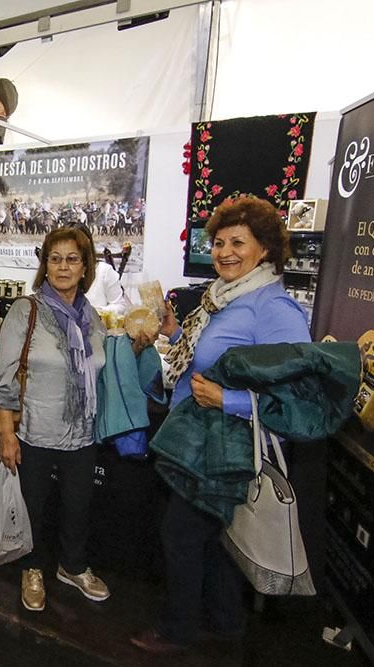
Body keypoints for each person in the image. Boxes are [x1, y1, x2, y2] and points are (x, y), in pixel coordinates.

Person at [132, 196, 311, 654]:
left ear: (266, 249)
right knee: (214, 538)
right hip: (199, 441)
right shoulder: (222, 298)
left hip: (226, 447)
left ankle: (177, 630)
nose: (224, 251)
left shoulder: (273, 309)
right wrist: (175, 334)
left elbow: (298, 395)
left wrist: (227, 399)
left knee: (181, 535)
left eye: (238, 242)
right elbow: (207, 356)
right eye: (218, 242)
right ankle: (226, 623)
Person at [0, 227, 110, 613]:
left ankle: (72, 567)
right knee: (33, 507)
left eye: (72, 258)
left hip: (82, 433)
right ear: (45, 265)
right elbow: (3, 378)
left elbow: (101, 366)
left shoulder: (91, 316)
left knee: (79, 505)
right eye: (54, 258)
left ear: (85, 266)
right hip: (34, 432)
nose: (62, 266)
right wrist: (7, 434)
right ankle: (32, 568)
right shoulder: (27, 311)